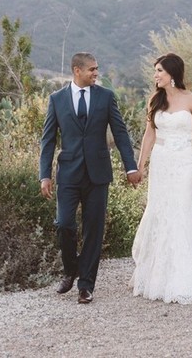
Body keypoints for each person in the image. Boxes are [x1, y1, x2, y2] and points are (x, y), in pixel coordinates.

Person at [39, 52, 141, 304]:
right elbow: (48, 139)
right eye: (92, 69)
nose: (96, 73)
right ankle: (70, 269)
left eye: (97, 69)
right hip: (68, 174)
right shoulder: (57, 99)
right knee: (64, 224)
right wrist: (45, 175)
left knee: (94, 230)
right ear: (77, 70)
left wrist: (131, 167)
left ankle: (86, 285)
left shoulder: (106, 97)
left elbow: (120, 133)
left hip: (98, 174)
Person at [130, 52, 192, 304]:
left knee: (182, 209)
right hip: (161, 160)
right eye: (155, 70)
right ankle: (157, 274)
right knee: (159, 210)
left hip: (184, 162)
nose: (155, 75)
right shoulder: (154, 101)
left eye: (159, 70)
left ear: (172, 74)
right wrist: (141, 165)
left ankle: (185, 275)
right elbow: (149, 135)